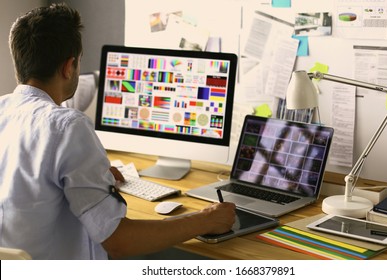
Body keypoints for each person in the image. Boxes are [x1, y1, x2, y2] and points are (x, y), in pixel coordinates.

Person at [0, 3, 235, 260]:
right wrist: (205, 220)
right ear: (69, 67)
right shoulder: (67, 126)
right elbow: (118, 241)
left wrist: (93, 177)